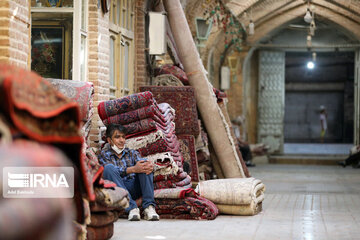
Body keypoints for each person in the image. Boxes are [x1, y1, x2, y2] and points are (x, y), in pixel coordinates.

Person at [98, 123, 159, 221]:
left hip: (134, 187)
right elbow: (112, 172)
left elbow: (142, 167)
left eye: (123, 137)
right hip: (119, 188)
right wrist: (133, 169)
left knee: (144, 165)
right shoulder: (104, 155)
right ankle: (132, 208)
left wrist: (148, 166)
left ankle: (149, 207)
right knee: (108, 168)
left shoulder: (132, 153)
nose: (122, 140)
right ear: (109, 140)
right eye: (117, 137)